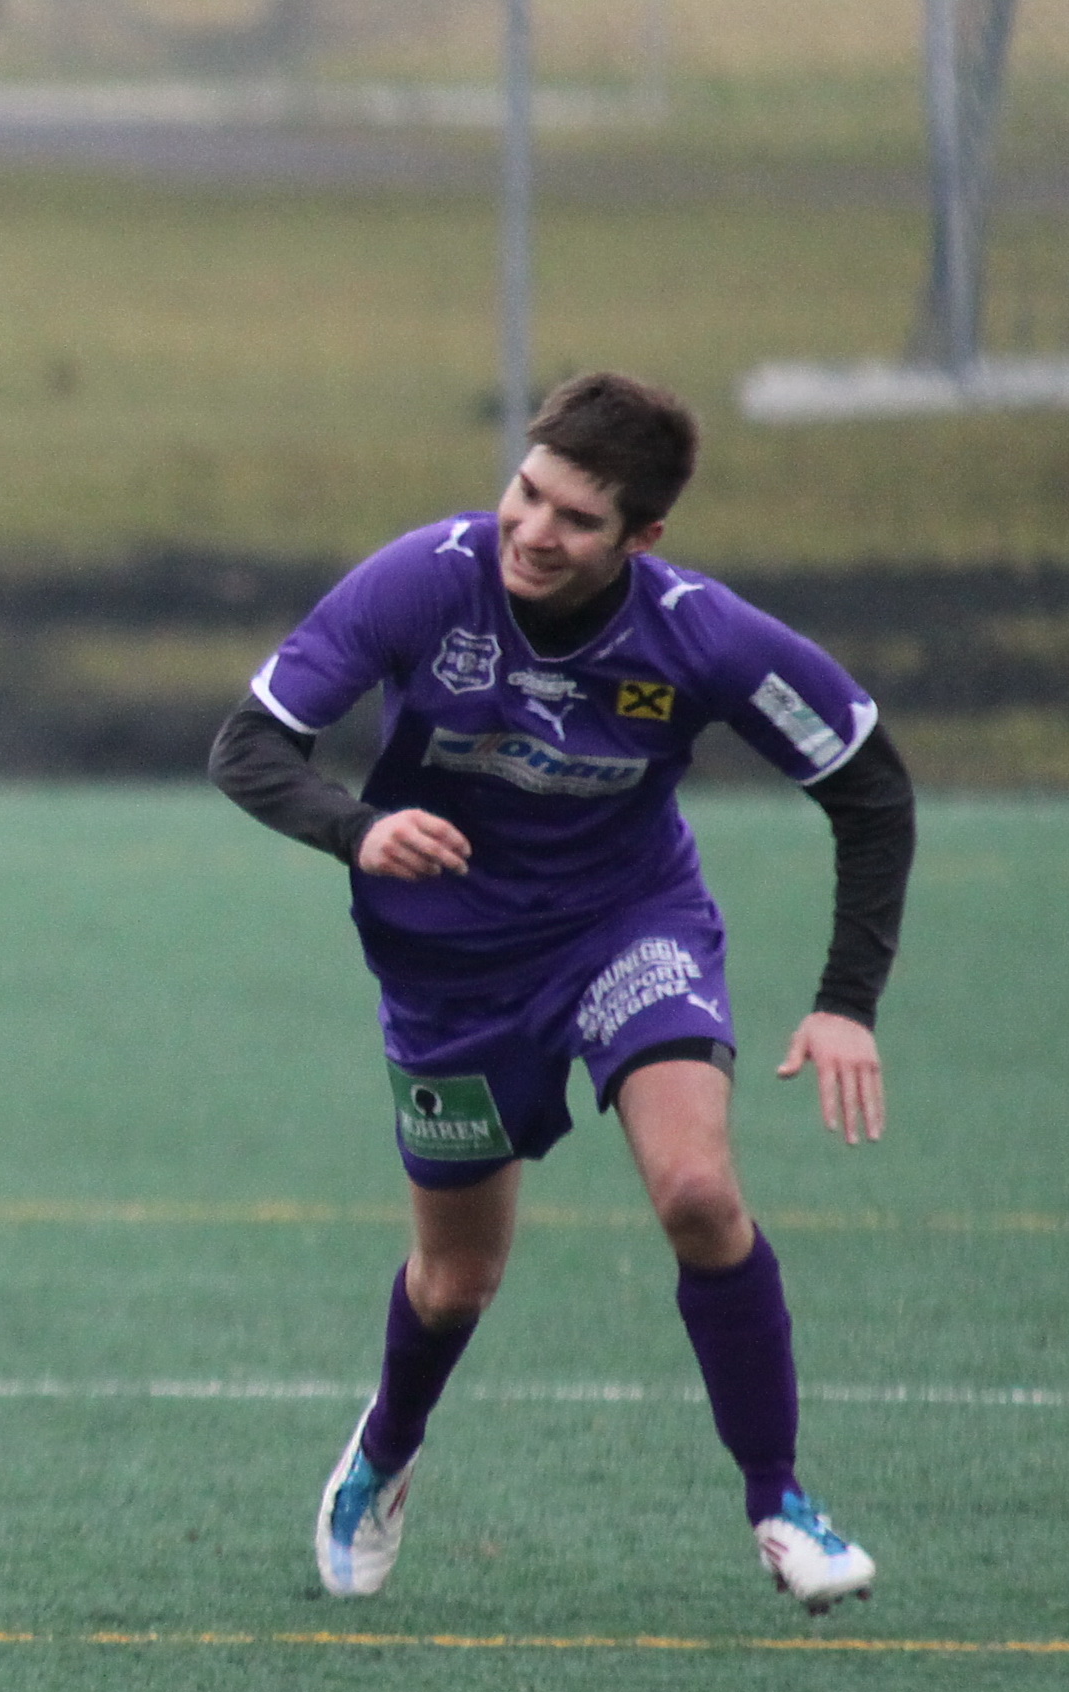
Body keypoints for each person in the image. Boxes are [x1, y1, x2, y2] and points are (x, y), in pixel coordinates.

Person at [208, 372, 912, 1613]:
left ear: (641, 536)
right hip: (449, 968)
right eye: (526, 493)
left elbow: (866, 783)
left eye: (576, 519)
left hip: (625, 926)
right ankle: (384, 1450)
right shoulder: (425, 579)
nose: (532, 530)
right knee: (454, 1282)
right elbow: (248, 746)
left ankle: (778, 1503)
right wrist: (357, 829)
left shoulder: (697, 634)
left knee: (696, 1194)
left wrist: (844, 999)